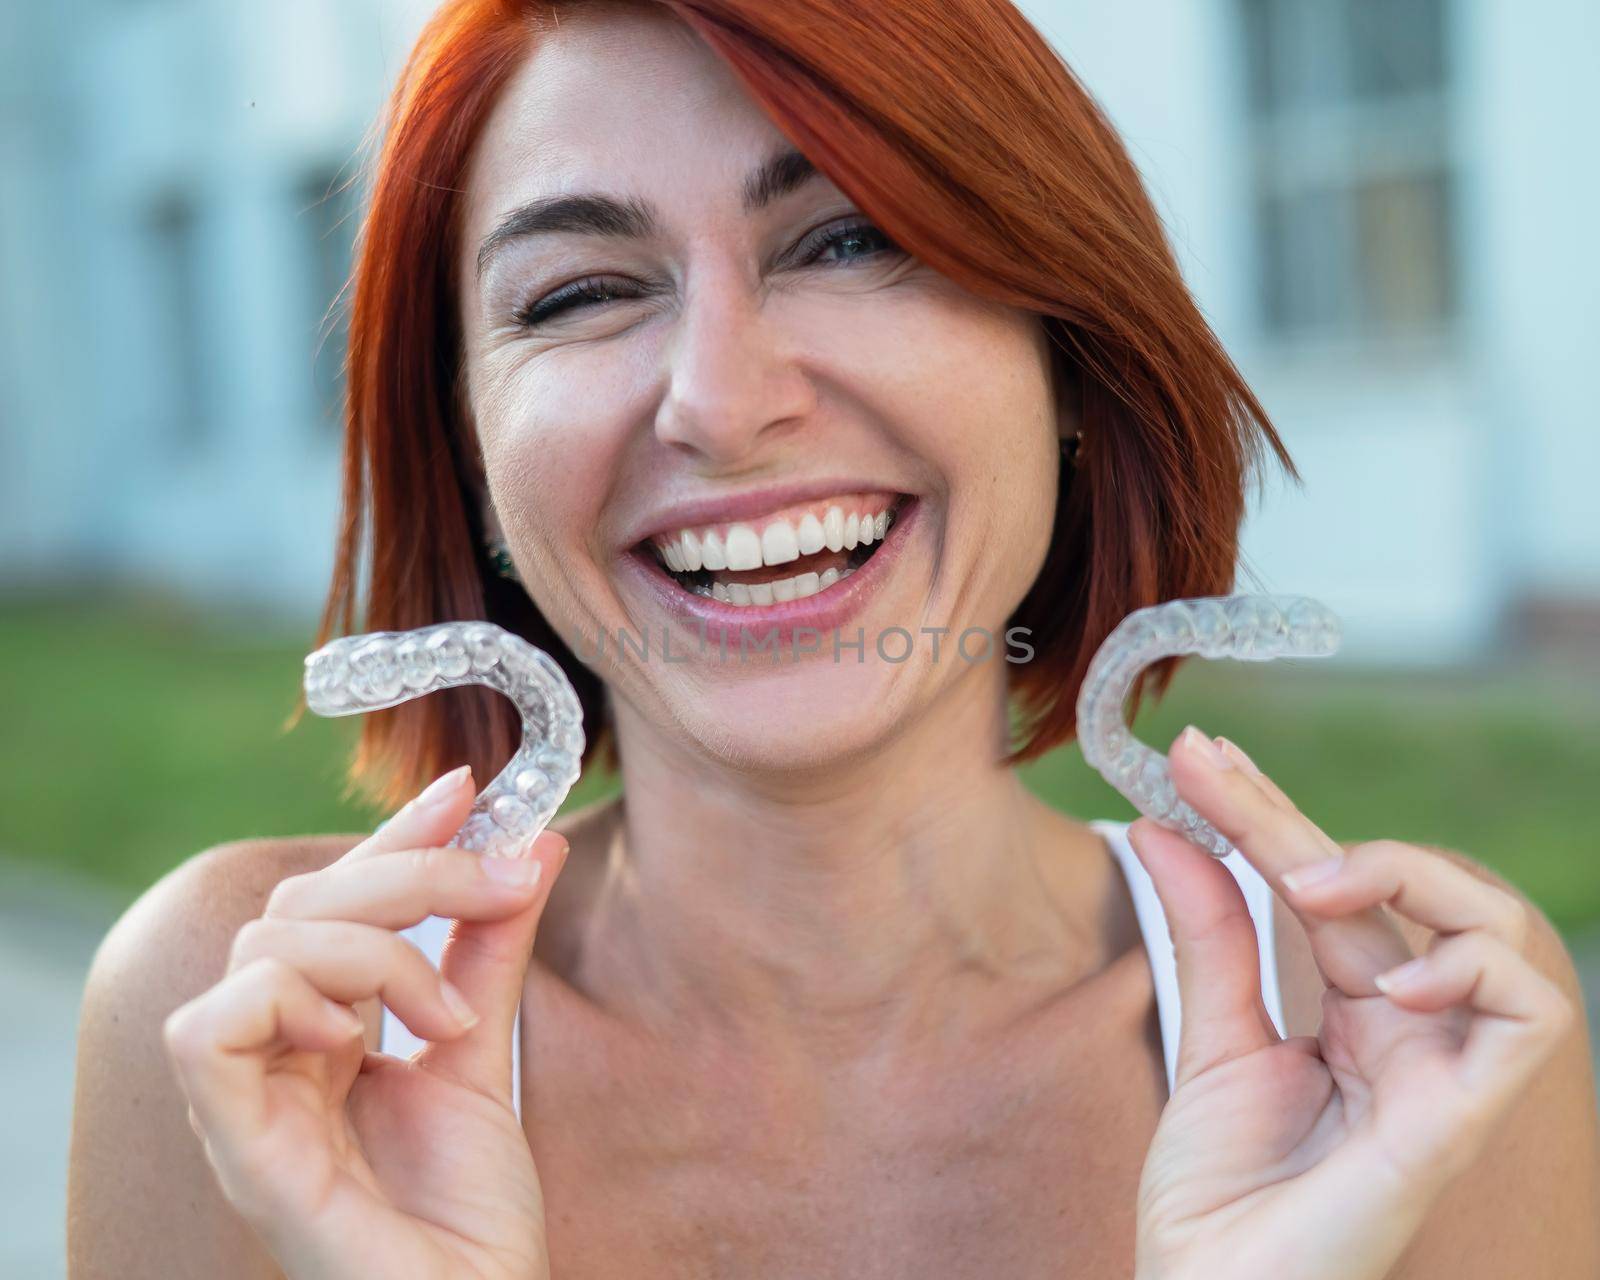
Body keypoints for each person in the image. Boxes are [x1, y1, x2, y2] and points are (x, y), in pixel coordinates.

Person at [68, 1, 1600, 1276]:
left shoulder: (1417, 1026)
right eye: (586, 290)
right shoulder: (247, 1038)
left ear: (1067, 353)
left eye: (851, 241)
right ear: (466, 444)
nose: (723, 404)